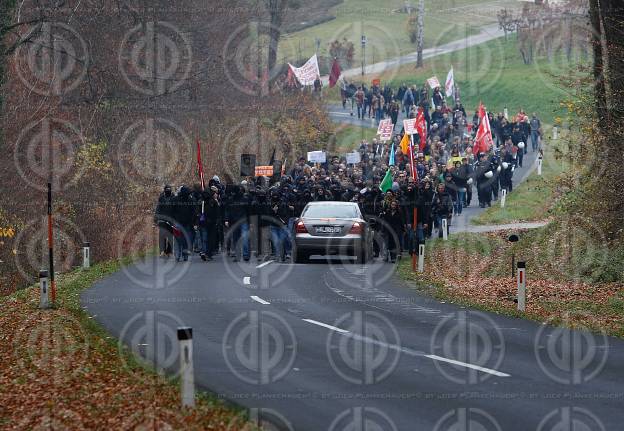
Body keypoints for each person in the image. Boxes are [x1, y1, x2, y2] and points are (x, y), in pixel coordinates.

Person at [225, 184, 251, 262]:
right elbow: (248, 211)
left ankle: (239, 255)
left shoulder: (231, 199)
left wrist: (227, 219)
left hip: (236, 221)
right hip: (242, 221)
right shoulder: (244, 199)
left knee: (237, 239)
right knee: (243, 238)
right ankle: (244, 255)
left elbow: (227, 211)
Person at [172, 185, 196, 262]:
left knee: (184, 239)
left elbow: (193, 212)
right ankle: (178, 255)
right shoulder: (175, 199)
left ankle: (184, 255)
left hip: (187, 223)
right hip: (177, 223)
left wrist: (192, 221)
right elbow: (172, 211)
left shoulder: (190, 200)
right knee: (178, 239)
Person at [154, 184, 175, 257]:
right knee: (162, 236)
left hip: (171, 220)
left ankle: (169, 251)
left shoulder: (173, 198)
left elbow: (176, 209)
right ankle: (162, 251)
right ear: (164, 190)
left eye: (169, 189)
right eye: (167, 189)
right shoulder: (161, 198)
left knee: (170, 236)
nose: (168, 191)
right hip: (162, 220)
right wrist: (156, 219)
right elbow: (158, 209)